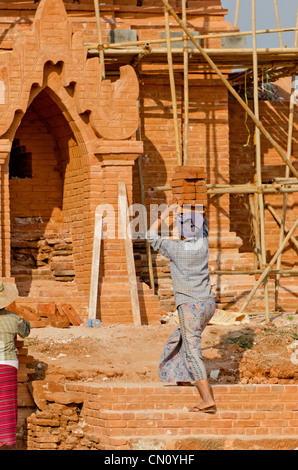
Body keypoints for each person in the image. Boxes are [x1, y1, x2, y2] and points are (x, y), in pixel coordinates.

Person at [146, 204, 216, 413]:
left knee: (193, 349)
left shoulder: (175, 249)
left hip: (190, 305)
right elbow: (202, 228)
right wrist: (190, 212)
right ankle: (182, 377)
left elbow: (150, 235)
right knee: (182, 338)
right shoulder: (203, 245)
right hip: (208, 304)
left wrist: (167, 213)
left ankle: (206, 398)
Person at [0, 281, 30, 449]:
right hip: (7, 364)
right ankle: (6, 441)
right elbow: (25, 331)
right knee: (6, 405)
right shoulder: (13, 318)